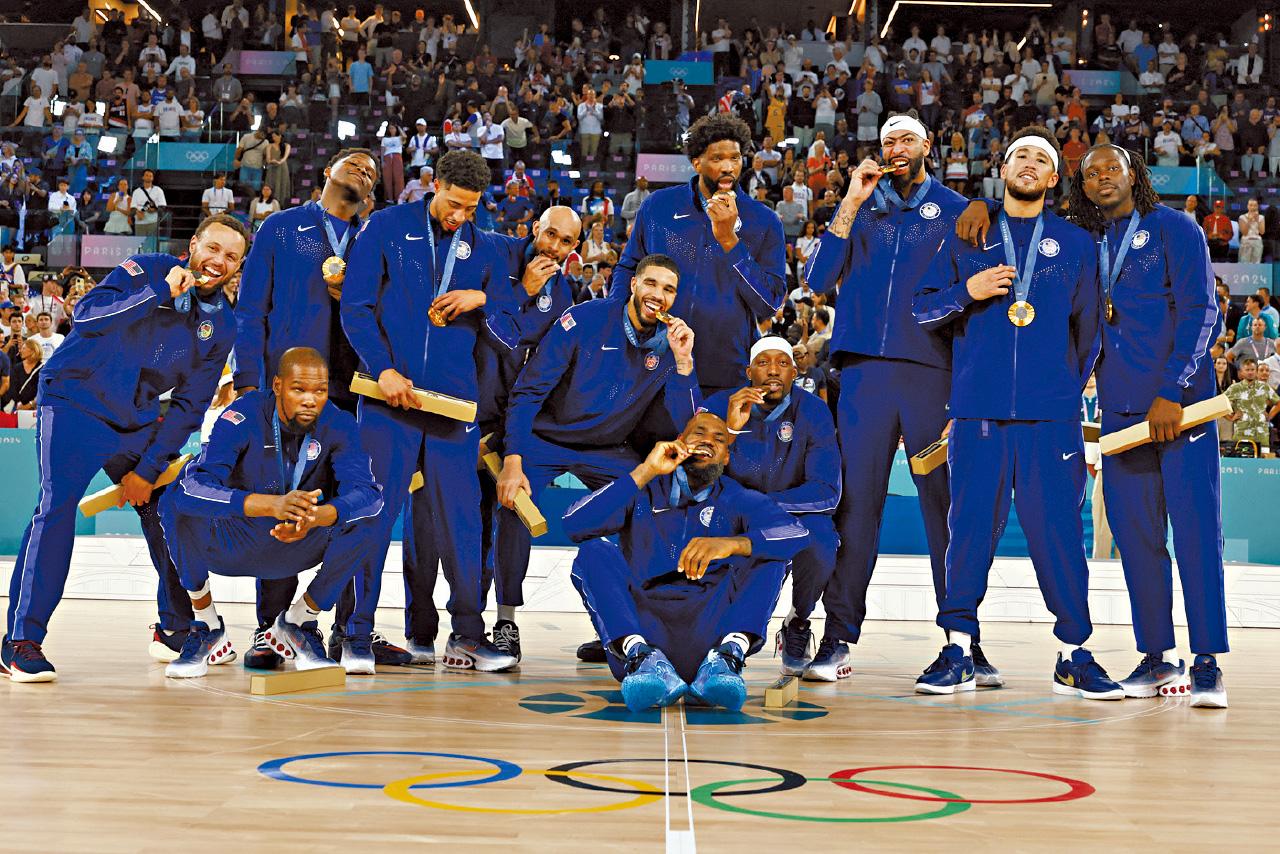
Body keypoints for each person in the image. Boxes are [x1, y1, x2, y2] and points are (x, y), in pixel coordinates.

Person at [912, 127, 1122, 699]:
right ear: (1002, 171)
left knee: (1059, 535)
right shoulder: (969, 234)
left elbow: (1089, 334)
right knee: (968, 531)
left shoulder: (1076, 243)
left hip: (1049, 417)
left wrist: (1057, 389)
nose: (1029, 164)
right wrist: (969, 291)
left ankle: (1074, 653)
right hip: (978, 412)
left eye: (1041, 159)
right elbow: (923, 310)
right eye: (1019, 156)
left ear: (1054, 178)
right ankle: (958, 647)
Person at [1, 215, 248, 683]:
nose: (219, 261)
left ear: (238, 268)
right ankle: (21, 641)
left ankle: (174, 629)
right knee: (56, 508)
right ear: (193, 245)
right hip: (74, 401)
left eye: (231, 257)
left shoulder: (223, 325)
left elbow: (190, 405)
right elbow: (87, 317)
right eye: (213, 248)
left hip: (135, 421)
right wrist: (158, 294)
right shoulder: (147, 270)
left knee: (167, 507)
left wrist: (149, 470)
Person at [801, 111, 978, 682]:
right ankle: (837, 636)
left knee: (946, 509)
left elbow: (975, 302)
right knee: (856, 508)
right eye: (887, 141)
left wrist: (966, 391)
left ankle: (962, 640)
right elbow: (816, 280)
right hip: (863, 378)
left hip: (933, 375)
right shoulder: (860, 206)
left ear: (928, 145)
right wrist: (851, 201)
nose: (896, 147)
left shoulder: (957, 210)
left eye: (906, 138)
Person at [341, 150, 520, 673]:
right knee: (372, 517)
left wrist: (480, 299)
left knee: (463, 524)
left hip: (452, 410)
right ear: (433, 184)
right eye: (453, 203)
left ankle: (468, 635)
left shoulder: (486, 250)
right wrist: (382, 369)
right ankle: (356, 634)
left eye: (470, 208)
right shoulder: (386, 226)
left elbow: (512, 330)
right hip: (387, 401)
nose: (459, 216)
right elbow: (355, 307)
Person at [495, 254, 698, 662]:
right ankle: (505, 622)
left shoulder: (674, 342)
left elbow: (687, 424)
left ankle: (618, 625)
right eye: (651, 283)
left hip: (608, 447)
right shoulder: (584, 319)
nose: (658, 295)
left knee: (648, 503)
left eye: (668, 289)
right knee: (514, 502)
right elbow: (528, 392)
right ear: (633, 285)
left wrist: (683, 362)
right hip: (547, 439)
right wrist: (513, 458)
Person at [234, 148, 392, 670]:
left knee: (353, 504)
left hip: (353, 393)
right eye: (353, 163)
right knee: (283, 500)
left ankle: (348, 629)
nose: (363, 171)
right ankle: (269, 629)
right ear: (326, 171)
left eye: (371, 171)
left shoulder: (376, 237)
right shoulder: (281, 227)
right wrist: (250, 382)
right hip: (286, 392)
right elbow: (251, 310)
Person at [563, 412, 810, 712]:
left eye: (719, 438)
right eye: (699, 433)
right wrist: (646, 470)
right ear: (678, 442)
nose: (708, 441)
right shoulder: (641, 488)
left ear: (726, 457)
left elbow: (797, 533)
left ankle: (727, 659)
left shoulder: (738, 497)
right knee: (593, 552)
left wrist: (733, 543)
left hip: (709, 635)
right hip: (646, 629)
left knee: (771, 556)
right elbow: (574, 524)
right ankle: (641, 658)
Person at [161, 347, 384, 677]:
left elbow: (367, 494)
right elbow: (193, 486)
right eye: (299, 389)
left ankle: (299, 620)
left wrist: (318, 516)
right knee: (173, 501)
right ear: (278, 385)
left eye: (319, 391)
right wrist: (270, 505)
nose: (310, 400)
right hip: (238, 538)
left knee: (370, 518)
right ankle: (206, 624)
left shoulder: (338, 422)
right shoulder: (242, 415)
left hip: (299, 538)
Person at [610, 114, 786, 395]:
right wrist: (615, 320)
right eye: (717, 159)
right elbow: (629, 266)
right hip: (655, 361)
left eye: (735, 158)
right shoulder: (658, 206)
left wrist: (730, 241)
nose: (728, 167)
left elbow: (769, 302)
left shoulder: (764, 220)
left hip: (725, 370)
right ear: (696, 163)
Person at [697, 337, 840, 676]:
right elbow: (695, 478)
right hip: (732, 514)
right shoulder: (718, 405)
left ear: (795, 372)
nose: (773, 370)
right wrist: (730, 430)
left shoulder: (814, 410)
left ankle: (798, 622)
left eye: (782, 363)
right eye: (763, 363)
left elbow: (827, 491)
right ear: (748, 372)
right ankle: (710, 631)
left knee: (822, 540)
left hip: (790, 513)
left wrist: (764, 507)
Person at [1225, 357, 1280, 448]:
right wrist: (1230, 417)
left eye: (1252, 370)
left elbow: (1278, 403)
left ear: (1256, 371)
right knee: (1241, 457)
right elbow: (1221, 404)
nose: (1250, 372)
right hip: (1241, 435)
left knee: (1264, 457)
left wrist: (1270, 416)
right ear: (1241, 372)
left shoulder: (1264, 387)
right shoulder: (1234, 388)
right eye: (1247, 370)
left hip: (1262, 435)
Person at [1238, 198, 1265, 263]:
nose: (1253, 207)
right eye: (1251, 205)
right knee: (1244, 263)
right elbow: (1244, 232)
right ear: (1248, 206)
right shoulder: (1242, 217)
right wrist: (1249, 220)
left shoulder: (1261, 217)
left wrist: (1257, 220)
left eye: (1255, 205)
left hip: (1257, 242)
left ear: (1257, 206)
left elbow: (1262, 232)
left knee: (1256, 263)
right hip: (1246, 241)